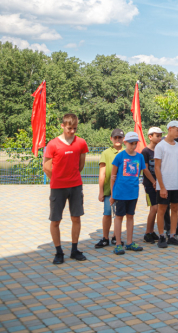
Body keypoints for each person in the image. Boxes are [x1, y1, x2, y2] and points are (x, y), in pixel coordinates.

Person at [43, 113, 89, 264]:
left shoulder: (81, 143)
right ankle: (58, 252)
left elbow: (81, 165)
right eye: (69, 128)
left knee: (76, 218)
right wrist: (58, 179)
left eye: (75, 128)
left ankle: (74, 250)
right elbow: (46, 167)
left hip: (76, 186)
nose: (72, 131)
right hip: (58, 187)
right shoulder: (52, 144)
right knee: (55, 220)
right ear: (62, 126)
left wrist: (71, 177)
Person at [110, 132, 147, 255]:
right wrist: (112, 195)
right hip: (120, 192)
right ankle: (118, 244)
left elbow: (145, 171)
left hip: (133, 192)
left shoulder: (140, 157)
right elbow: (113, 176)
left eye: (135, 143)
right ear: (125, 142)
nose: (134, 146)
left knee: (130, 216)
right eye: (131, 143)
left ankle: (130, 242)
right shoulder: (119, 156)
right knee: (119, 217)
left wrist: (154, 182)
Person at [154, 121, 178, 248]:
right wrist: (162, 187)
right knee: (162, 210)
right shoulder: (160, 146)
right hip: (164, 185)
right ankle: (162, 236)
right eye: (177, 130)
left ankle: (172, 235)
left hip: (176, 184)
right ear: (170, 129)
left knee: (175, 209)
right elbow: (157, 167)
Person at [95, 128, 124, 249]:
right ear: (111, 139)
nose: (117, 140)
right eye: (115, 137)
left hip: (122, 190)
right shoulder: (106, 153)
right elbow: (102, 173)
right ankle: (105, 237)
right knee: (107, 213)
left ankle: (116, 236)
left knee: (119, 215)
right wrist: (101, 191)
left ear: (123, 139)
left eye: (120, 137)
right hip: (108, 190)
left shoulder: (126, 152)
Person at [142, 127, 163, 243]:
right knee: (154, 208)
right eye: (157, 136)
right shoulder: (145, 151)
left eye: (160, 136)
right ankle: (147, 233)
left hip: (159, 183)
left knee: (158, 208)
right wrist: (154, 182)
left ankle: (151, 231)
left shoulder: (160, 150)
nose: (159, 138)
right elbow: (145, 169)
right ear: (150, 137)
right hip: (150, 184)